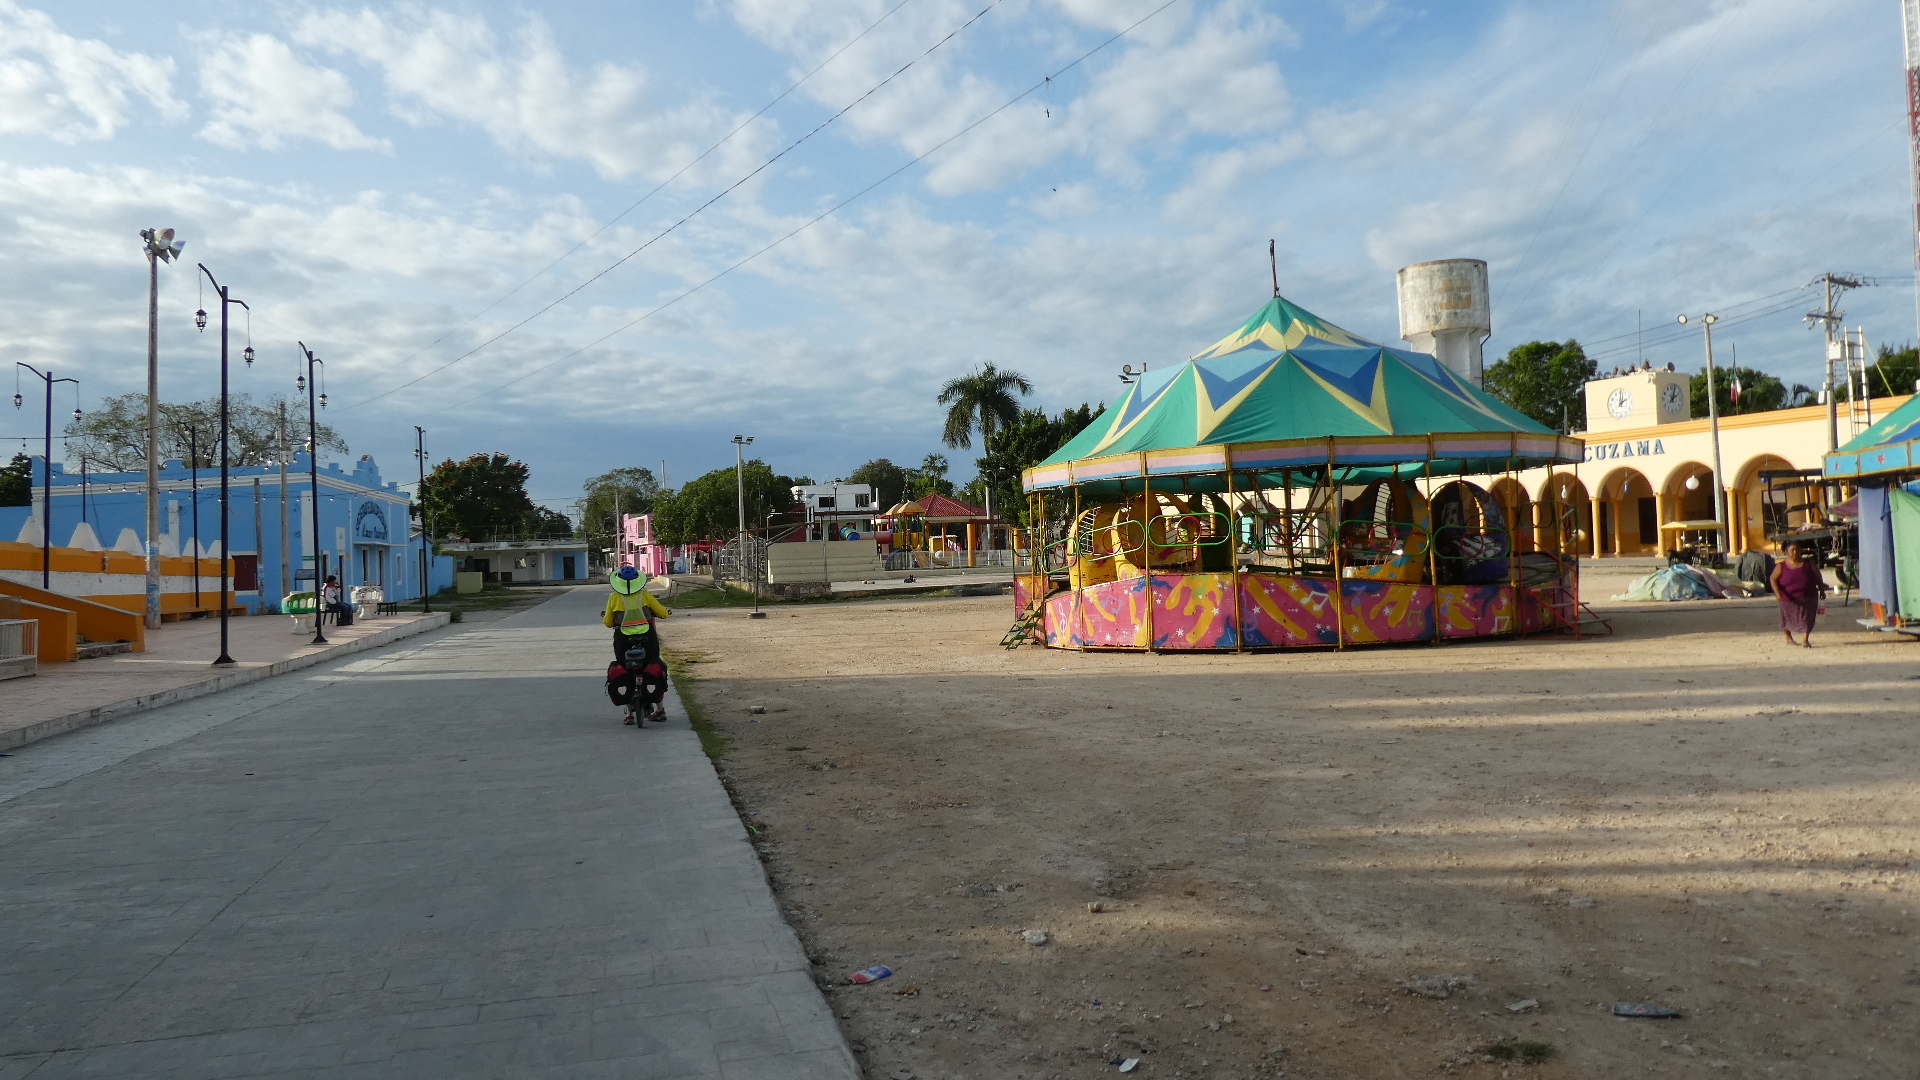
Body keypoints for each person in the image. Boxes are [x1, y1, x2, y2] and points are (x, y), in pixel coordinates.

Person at [603, 564, 671, 719]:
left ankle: (629, 714)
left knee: (624, 668)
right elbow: (663, 614)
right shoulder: (644, 595)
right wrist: (664, 613)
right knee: (653, 665)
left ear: (619, 581)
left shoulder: (614, 597)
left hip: (623, 640)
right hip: (647, 638)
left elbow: (607, 622)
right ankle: (660, 709)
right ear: (637, 580)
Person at [1770, 543, 1826, 648]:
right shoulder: (1781, 566)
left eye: (1797, 550)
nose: (1795, 552)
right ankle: (1789, 638)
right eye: (1792, 550)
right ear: (1786, 552)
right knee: (1786, 618)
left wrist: (1822, 590)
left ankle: (1805, 640)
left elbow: (1818, 576)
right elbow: (1773, 579)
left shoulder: (1809, 563)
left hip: (1808, 596)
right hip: (1788, 598)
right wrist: (1777, 593)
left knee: (1807, 618)